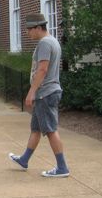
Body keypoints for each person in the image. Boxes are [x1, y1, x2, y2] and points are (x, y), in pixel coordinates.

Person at [8, 13, 69, 177]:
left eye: (29, 29)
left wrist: (31, 92)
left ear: (38, 27)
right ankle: (24, 159)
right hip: (48, 91)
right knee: (35, 129)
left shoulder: (44, 43)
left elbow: (42, 69)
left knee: (50, 130)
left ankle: (62, 167)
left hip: (45, 93)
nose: (28, 33)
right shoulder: (53, 41)